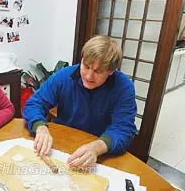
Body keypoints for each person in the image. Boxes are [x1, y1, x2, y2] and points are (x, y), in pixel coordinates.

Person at [23, 35, 137, 168]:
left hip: (100, 151)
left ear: (111, 71)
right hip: (62, 142)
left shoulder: (123, 87)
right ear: (82, 59)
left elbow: (123, 128)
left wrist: (98, 147)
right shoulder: (64, 76)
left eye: (98, 71)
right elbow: (35, 103)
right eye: (86, 66)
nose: (89, 76)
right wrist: (40, 127)